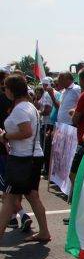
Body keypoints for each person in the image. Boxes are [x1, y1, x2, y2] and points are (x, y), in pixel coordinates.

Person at [0, 74, 50, 243]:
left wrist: (6, 135)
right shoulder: (29, 106)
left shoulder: (21, 109)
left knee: (9, 197)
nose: (4, 90)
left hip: (22, 158)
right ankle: (44, 232)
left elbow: (26, 132)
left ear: (12, 90)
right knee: (32, 195)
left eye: (5, 88)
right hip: (32, 156)